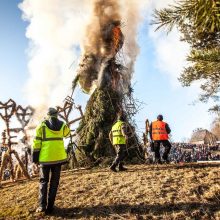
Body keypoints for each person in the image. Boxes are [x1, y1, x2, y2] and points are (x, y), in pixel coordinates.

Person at [32, 107, 70, 214]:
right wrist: (65, 122)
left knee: (43, 181)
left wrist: (35, 158)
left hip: (45, 159)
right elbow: (67, 134)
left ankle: (42, 206)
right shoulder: (62, 124)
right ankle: (50, 207)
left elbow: (36, 143)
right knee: (54, 183)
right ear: (56, 115)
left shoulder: (41, 125)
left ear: (47, 115)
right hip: (58, 158)